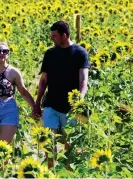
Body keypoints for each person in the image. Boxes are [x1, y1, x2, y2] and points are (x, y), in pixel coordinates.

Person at [33, 21, 90, 168]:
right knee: (48, 144)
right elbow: (44, 80)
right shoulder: (50, 53)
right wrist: (37, 103)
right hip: (51, 103)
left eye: (54, 36)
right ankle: (50, 173)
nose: (52, 39)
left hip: (71, 108)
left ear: (64, 35)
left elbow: (83, 79)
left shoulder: (80, 53)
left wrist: (80, 100)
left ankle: (67, 173)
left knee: (68, 147)